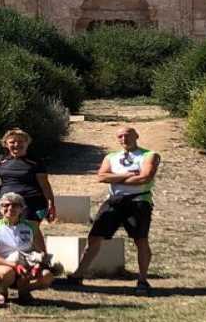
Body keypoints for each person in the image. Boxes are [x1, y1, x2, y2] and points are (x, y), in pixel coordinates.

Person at [61, 125, 160, 296]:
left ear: (136, 135)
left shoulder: (149, 155)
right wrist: (129, 175)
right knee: (94, 237)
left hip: (138, 202)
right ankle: (78, 275)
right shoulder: (111, 157)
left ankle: (142, 280)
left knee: (140, 240)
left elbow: (145, 177)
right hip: (114, 201)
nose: (124, 139)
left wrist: (116, 178)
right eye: (120, 136)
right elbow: (101, 176)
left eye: (127, 135)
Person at [0, 192, 54, 306]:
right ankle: (0, 291)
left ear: (22, 209)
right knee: (6, 272)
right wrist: (14, 265)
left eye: (15, 205)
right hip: (2, 266)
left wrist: (36, 266)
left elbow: (42, 252)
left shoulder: (32, 227)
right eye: (6, 205)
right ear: (0, 209)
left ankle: (24, 290)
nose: (10, 208)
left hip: (26, 266)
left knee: (46, 276)